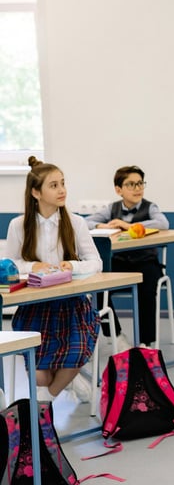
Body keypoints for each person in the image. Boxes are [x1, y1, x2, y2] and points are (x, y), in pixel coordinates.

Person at [5, 156, 102, 403]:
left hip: (72, 304)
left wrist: (72, 265)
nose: (62, 190)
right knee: (40, 376)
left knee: (77, 352)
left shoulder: (76, 222)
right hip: (35, 306)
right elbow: (10, 264)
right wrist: (33, 265)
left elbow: (96, 262)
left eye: (63, 183)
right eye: (54, 185)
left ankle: (45, 403)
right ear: (36, 193)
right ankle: (64, 381)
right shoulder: (18, 225)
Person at [85, 165, 169, 347]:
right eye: (131, 184)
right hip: (119, 261)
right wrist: (101, 226)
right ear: (119, 189)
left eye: (140, 183)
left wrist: (129, 226)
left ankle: (145, 341)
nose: (137, 188)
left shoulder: (150, 207)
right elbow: (86, 222)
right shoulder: (112, 208)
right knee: (98, 288)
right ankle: (115, 335)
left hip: (146, 262)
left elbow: (163, 223)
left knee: (146, 290)